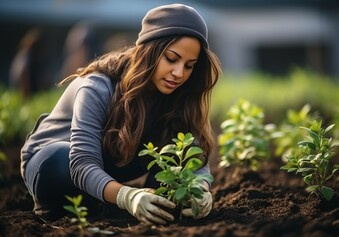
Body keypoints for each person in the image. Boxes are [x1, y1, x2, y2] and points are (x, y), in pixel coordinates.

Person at [20, 3, 221, 225]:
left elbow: (195, 152)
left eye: (189, 65)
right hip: (54, 165)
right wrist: (127, 196)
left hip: (106, 164)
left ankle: (130, 201)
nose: (179, 73)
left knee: (174, 152)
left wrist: (201, 188)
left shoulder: (177, 92)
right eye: (171, 59)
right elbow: (81, 163)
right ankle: (62, 206)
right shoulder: (97, 86)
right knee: (59, 160)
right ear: (149, 51)